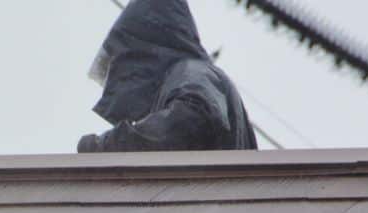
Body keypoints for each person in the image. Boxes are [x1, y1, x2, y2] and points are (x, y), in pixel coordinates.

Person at [77, 0, 257, 153]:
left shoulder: (191, 72)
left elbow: (191, 120)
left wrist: (107, 145)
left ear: (144, 49)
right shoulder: (190, 75)